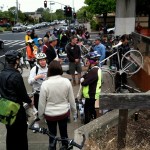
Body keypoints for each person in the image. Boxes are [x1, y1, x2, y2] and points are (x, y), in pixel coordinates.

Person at [38, 60, 77, 149]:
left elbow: (41, 103)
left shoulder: (45, 84)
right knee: (64, 133)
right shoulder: (66, 81)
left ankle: (52, 147)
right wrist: (74, 113)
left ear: (49, 70)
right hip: (63, 113)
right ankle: (65, 146)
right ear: (60, 69)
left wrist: (41, 116)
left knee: (52, 135)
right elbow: (72, 100)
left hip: (50, 114)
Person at [0, 50, 32, 150]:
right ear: (16, 61)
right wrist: (30, 101)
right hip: (17, 110)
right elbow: (23, 95)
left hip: (5, 109)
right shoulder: (16, 75)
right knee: (21, 135)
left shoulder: (1, 73)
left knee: (10, 133)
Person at [81, 52, 102, 124]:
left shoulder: (93, 71)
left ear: (91, 62)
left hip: (91, 94)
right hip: (93, 93)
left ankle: (87, 125)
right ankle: (94, 118)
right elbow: (87, 77)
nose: (86, 62)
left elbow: (84, 82)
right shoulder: (95, 69)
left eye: (87, 60)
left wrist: (83, 79)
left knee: (87, 110)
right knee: (92, 107)